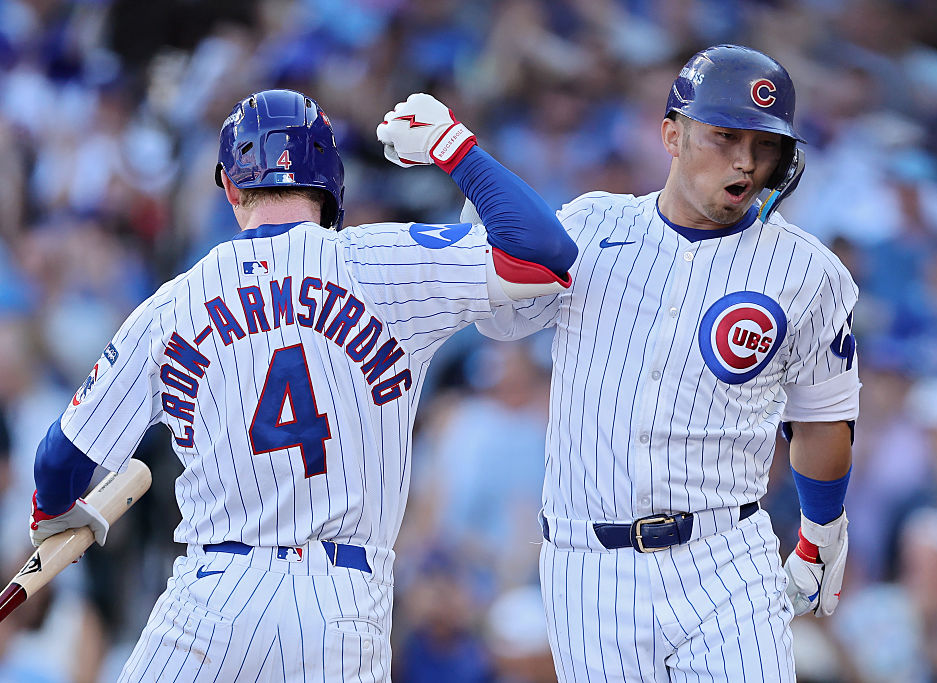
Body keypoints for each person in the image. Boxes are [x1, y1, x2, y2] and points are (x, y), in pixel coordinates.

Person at [26, 88, 577, 682]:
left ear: (232, 189)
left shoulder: (172, 304)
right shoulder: (382, 260)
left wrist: (57, 513)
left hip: (211, 601)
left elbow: (60, 460)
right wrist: (453, 148)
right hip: (339, 603)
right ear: (330, 186)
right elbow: (545, 253)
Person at [475, 44, 859, 681]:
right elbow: (500, 320)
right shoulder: (591, 227)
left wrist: (822, 531)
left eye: (765, 145)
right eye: (725, 136)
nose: (746, 161)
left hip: (727, 556)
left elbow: (822, 420)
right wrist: (476, 192)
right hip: (588, 566)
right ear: (671, 135)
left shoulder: (809, 271)